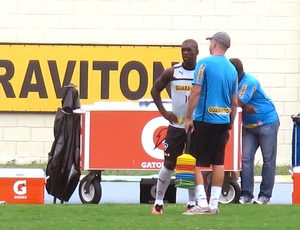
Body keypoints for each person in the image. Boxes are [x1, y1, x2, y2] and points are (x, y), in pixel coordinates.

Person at [184, 32, 238, 215]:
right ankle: (214, 204)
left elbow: (195, 92)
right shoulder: (232, 69)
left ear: (214, 43)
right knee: (218, 162)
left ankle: (201, 202)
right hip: (223, 120)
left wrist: (188, 117)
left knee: (194, 162)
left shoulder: (204, 64)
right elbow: (234, 102)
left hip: (205, 119)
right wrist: (230, 124)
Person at [150, 39, 199, 214]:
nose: (186, 53)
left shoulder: (202, 72)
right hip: (176, 126)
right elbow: (154, 90)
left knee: (192, 164)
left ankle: (192, 202)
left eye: (189, 50)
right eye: (183, 50)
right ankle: (158, 202)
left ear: (197, 52)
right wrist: (164, 112)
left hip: (195, 126)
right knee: (169, 163)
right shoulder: (173, 72)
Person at [229, 58, 280, 205]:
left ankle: (264, 195)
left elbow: (238, 102)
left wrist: (243, 105)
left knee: (268, 160)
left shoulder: (248, 81)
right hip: (249, 126)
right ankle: (246, 194)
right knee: (245, 160)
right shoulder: (233, 83)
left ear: (236, 73)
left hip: (267, 122)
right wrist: (245, 108)